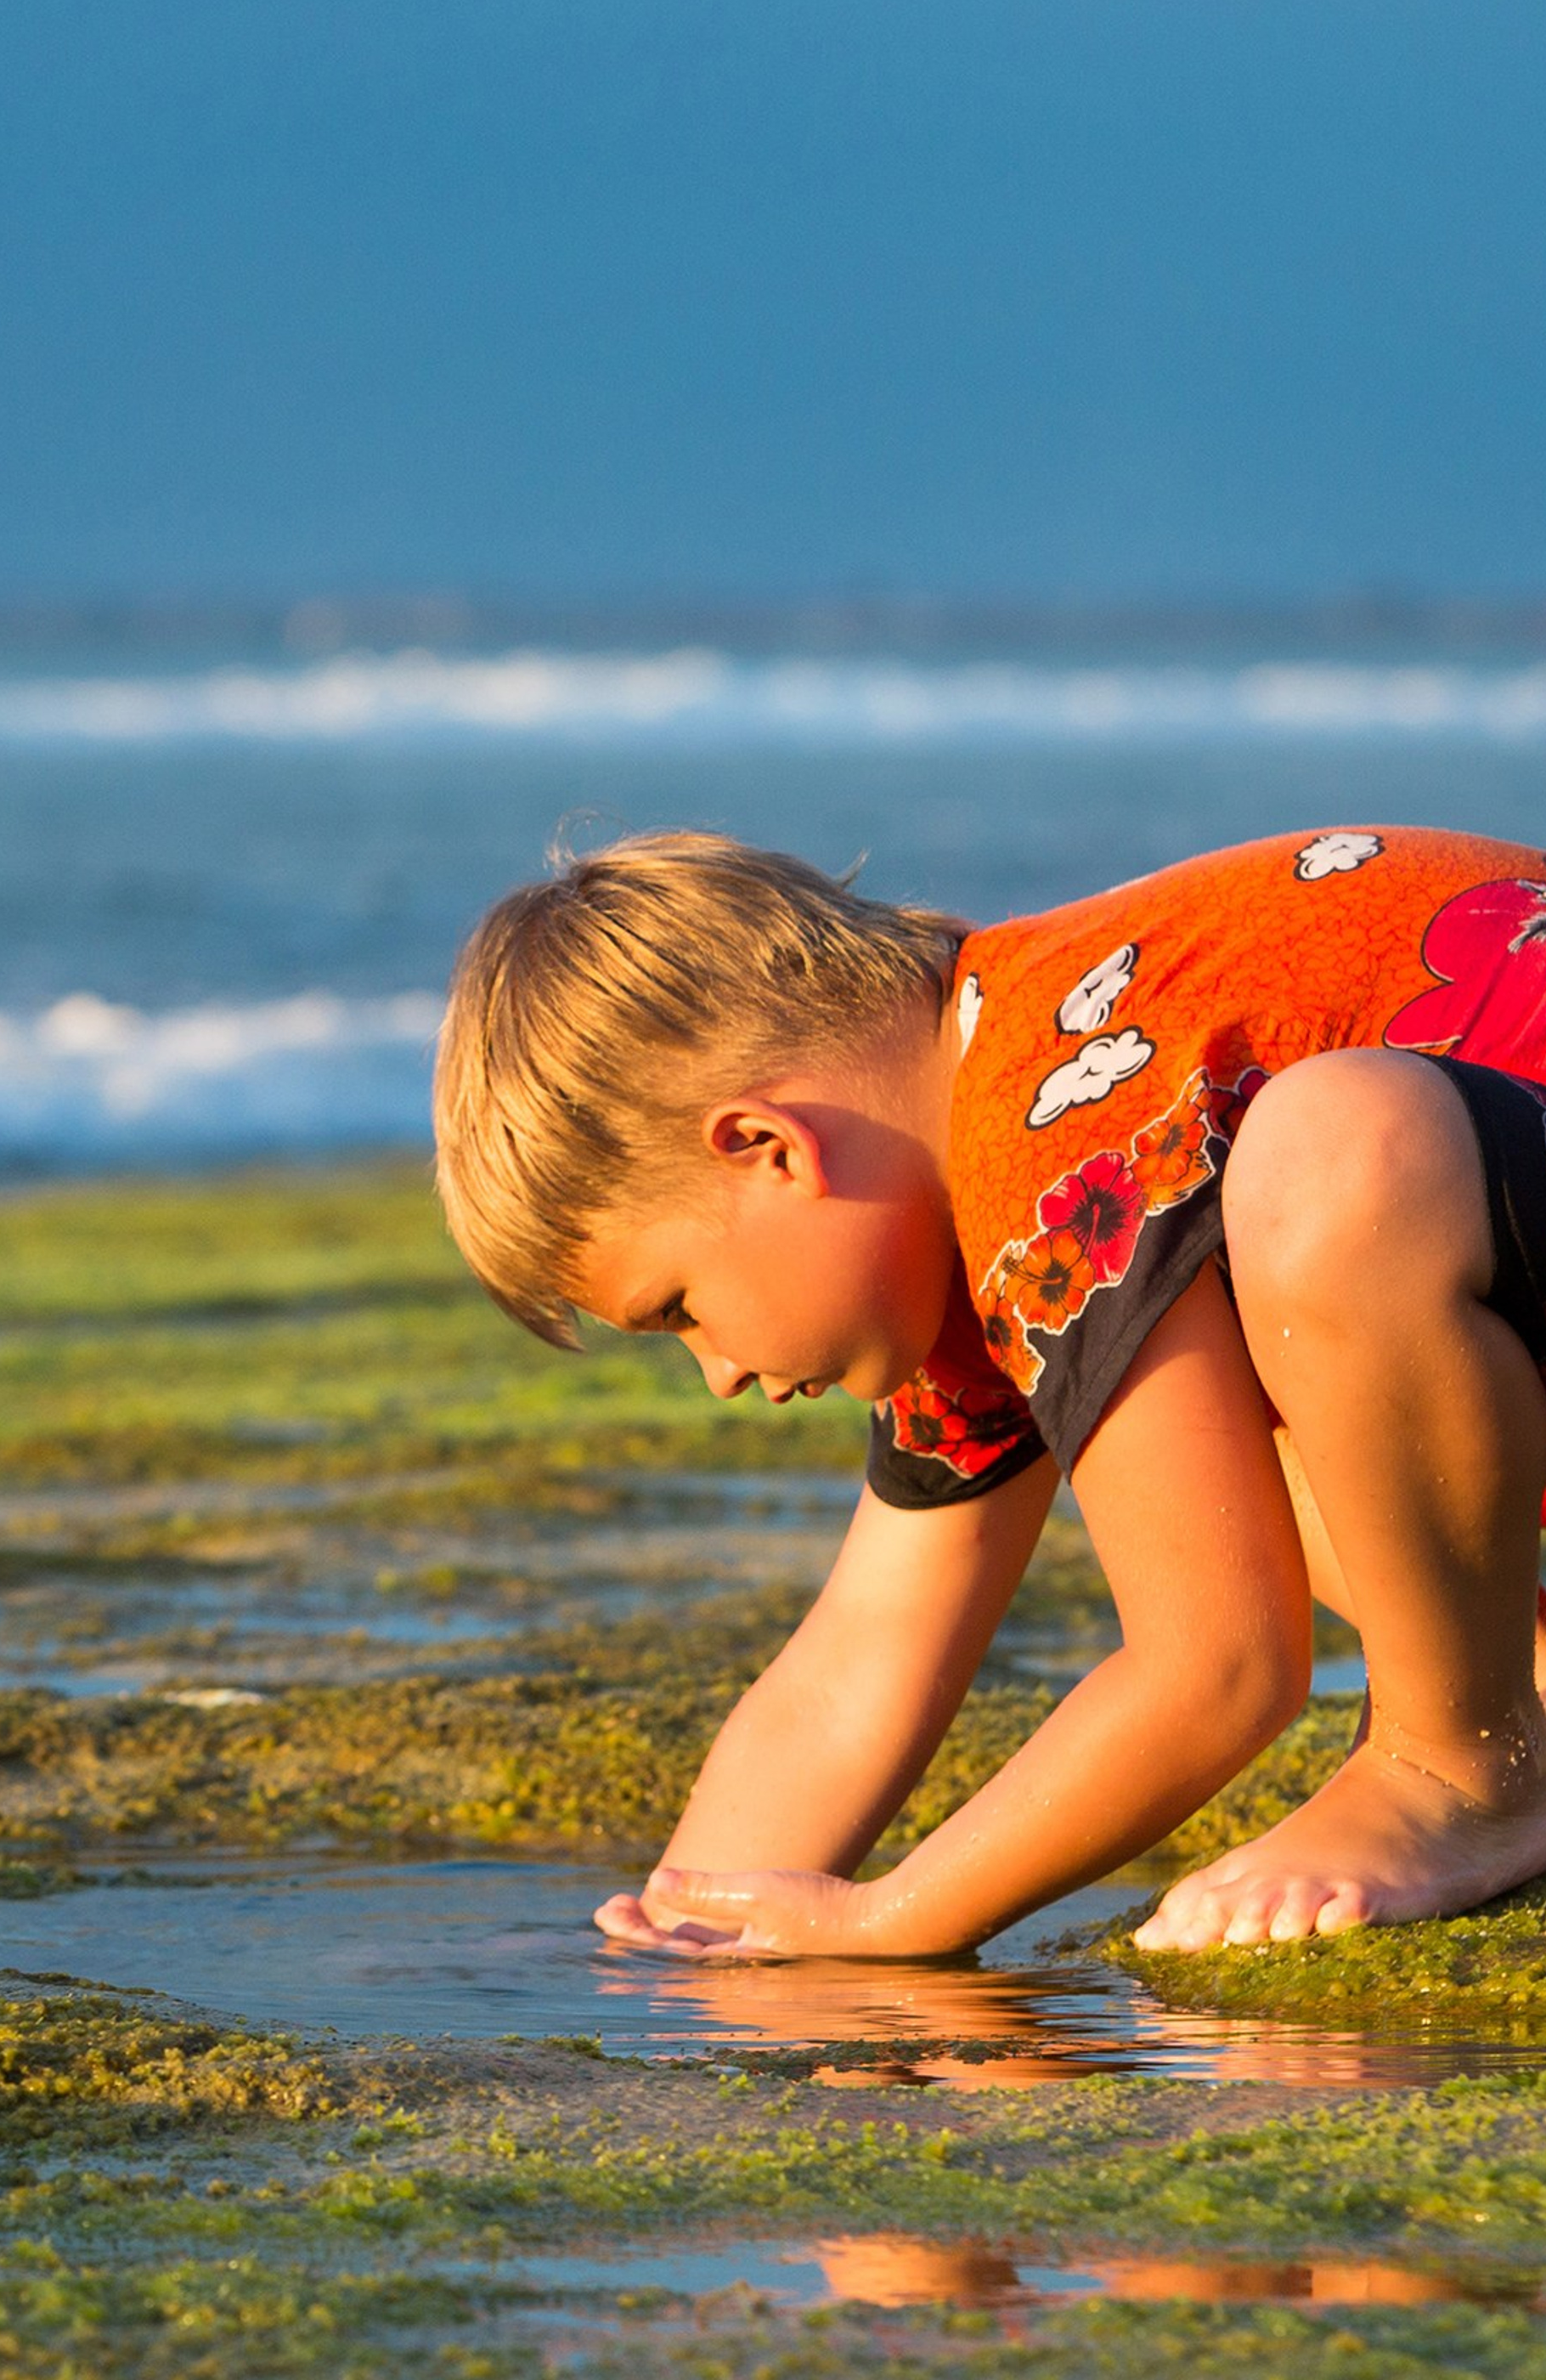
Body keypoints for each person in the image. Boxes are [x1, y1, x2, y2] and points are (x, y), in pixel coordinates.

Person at [432, 825, 1546, 1960]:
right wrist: (690, 1935)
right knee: (1220, 1425)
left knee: (1332, 1154)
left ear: (770, 1148)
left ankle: (1461, 1764)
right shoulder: (983, 1190)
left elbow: (1220, 1667)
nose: (717, 1376)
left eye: (679, 1308)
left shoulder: (1039, 1140)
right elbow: (867, 1648)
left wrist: (888, 1919)